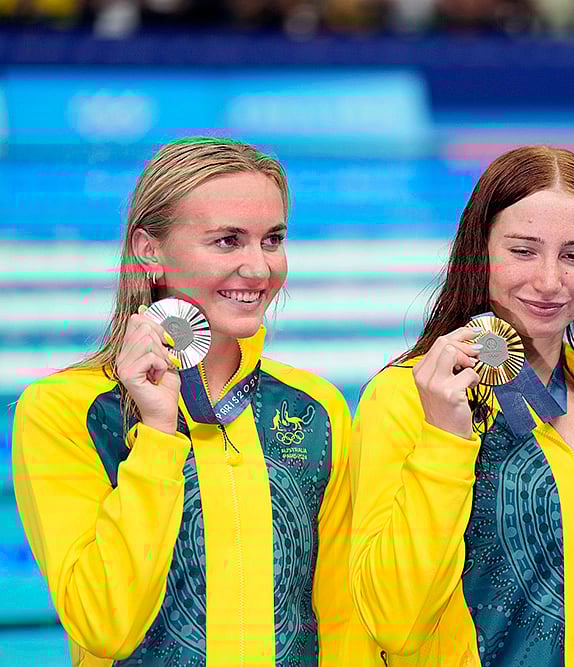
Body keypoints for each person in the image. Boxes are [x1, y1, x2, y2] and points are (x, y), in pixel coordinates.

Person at [12, 137, 366, 665]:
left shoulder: (315, 407)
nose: (258, 268)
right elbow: (104, 624)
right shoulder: (64, 410)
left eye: (272, 240)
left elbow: (342, 619)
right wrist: (157, 434)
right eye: (227, 241)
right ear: (149, 250)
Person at [349, 145, 574, 666]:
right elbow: (392, 621)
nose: (549, 281)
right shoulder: (403, 397)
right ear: (479, 249)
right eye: (523, 251)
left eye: (573, 255)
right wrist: (444, 439)